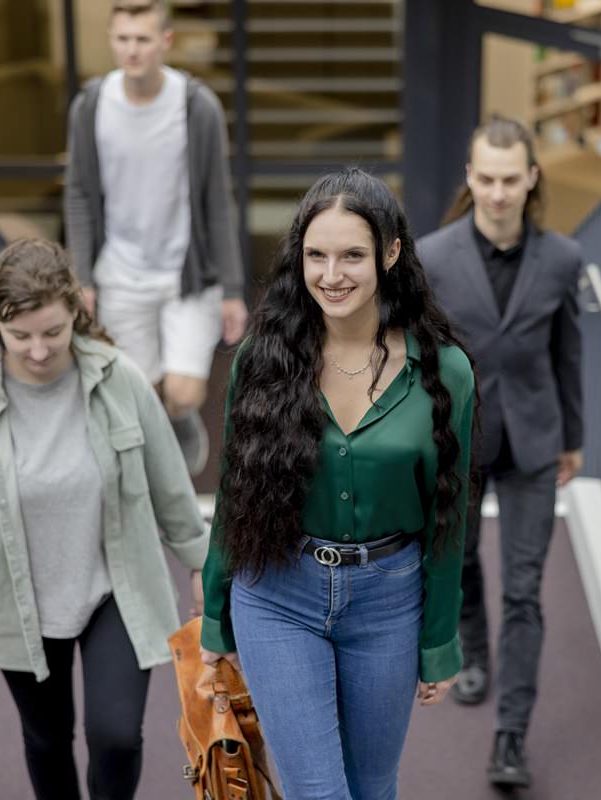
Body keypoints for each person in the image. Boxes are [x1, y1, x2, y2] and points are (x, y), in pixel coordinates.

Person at [199, 168, 476, 800]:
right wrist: (217, 618)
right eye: (316, 255)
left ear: (391, 252)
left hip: (388, 600)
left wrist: (439, 640)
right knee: (318, 792)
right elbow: (235, 497)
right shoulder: (262, 359)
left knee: (372, 787)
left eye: (353, 254)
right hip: (277, 593)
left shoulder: (445, 372)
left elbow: (448, 518)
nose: (332, 274)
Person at [0, 239, 209, 800]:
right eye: (19, 335)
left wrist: (198, 563)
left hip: (113, 589)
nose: (39, 350)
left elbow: (170, 483)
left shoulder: (118, 379)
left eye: (53, 331)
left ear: (77, 310)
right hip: (15, 600)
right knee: (47, 739)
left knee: (117, 736)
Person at [417, 115, 584, 789]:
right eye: (485, 178)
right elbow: (418, 359)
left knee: (525, 591)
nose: (496, 192)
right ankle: (474, 652)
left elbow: (567, 353)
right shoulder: (432, 256)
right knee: (458, 561)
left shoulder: (564, 259)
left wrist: (574, 437)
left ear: (532, 179)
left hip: (536, 443)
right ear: (469, 177)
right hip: (460, 440)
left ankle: (511, 735)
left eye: (510, 179)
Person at [64, 0, 248, 475]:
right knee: (138, 396)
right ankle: (158, 478)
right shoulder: (91, 106)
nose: (132, 50)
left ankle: (183, 421)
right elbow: (80, 196)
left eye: (142, 39)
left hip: (187, 275)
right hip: (120, 273)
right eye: (122, 39)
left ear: (165, 41)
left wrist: (231, 290)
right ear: (111, 40)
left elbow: (216, 201)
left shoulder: (194, 105)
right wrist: (82, 277)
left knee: (184, 393)